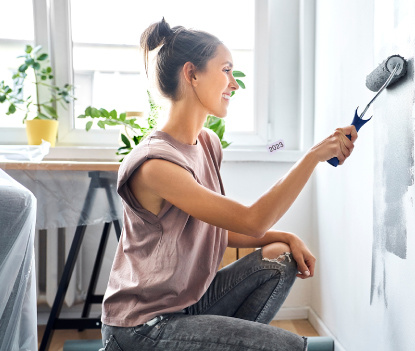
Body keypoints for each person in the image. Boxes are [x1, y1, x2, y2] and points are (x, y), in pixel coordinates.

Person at [100, 18, 357, 351]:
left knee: (280, 258)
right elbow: (252, 220)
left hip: (188, 306)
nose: (234, 84)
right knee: (292, 347)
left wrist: (286, 236)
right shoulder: (155, 165)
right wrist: (311, 157)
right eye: (226, 70)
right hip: (141, 328)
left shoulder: (206, 143)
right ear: (191, 74)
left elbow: (217, 229)